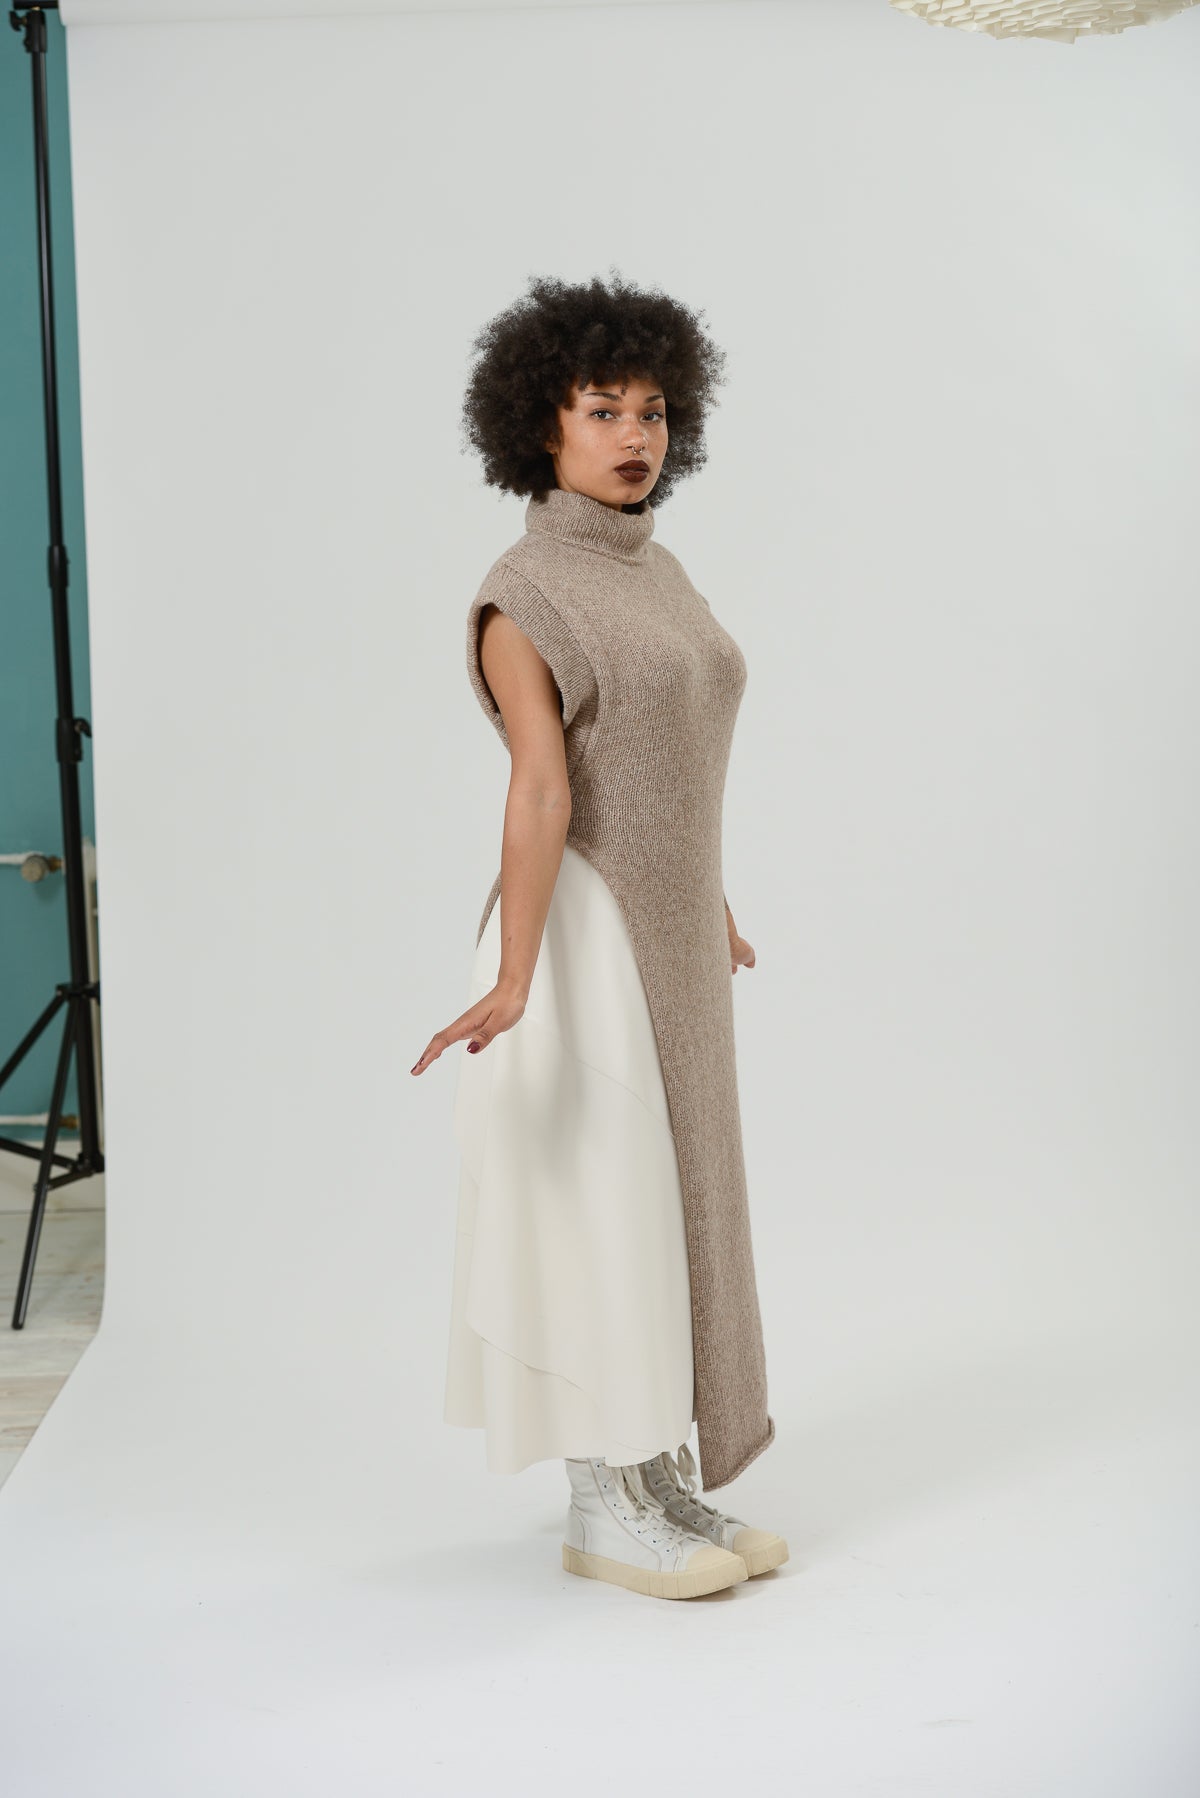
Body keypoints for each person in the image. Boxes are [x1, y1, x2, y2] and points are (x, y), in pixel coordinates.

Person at [413, 271, 787, 1600]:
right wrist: (517, 972)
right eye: (603, 408)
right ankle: (601, 1503)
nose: (636, 436)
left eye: (655, 411)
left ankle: (654, 1470)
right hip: (579, 942)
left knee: (675, 1202)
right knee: (603, 1211)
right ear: (541, 422)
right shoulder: (525, 593)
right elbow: (542, 790)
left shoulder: (653, 565)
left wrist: (708, 898)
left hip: (666, 937)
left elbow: (663, 751)